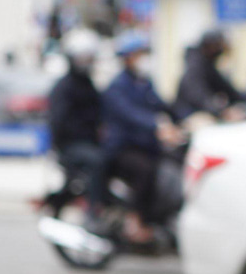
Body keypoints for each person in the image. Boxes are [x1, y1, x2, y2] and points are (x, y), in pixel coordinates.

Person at [102, 31, 184, 244]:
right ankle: (135, 221)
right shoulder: (118, 86)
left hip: (146, 145)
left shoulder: (144, 83)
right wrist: (157, 125)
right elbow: (131, 114)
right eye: (140, 54)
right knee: (146, 170)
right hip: (123, 148)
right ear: (128, 58)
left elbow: (163, 105)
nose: (144, 58)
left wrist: (187, 118)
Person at [47, 27, 106, 213]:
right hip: (71, 146)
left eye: (89, 58)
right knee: (99, 162)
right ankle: (93, 210)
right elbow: (59, 121)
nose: (86, 63)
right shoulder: (64, 87)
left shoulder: (88, 84)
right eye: (83, 58)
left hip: (89, 142)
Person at [174, 28, 246, 126]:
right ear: (210, 45)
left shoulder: (208, 65)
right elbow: (199, 97)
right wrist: (221, 111)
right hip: (187, 116)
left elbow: (228, 90)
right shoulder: (195, 65)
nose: (221, 49)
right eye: (219, 45)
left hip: (201, 112)